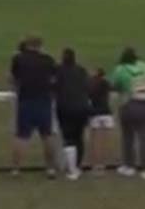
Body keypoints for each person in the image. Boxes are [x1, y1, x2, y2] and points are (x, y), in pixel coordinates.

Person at [9, 36, 60, 178]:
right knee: (47, 135)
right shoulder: (48, 60)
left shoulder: (19, 59)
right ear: (40, 45)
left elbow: (13, 78)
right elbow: (55, 78)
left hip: (25, 101)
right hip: (44, 101)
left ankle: (16, 169)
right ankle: (50, 168)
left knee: (21, 136)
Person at [112, 47, 145, 180]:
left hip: (131, 104)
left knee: (128, 137)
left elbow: (115, 85)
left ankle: (129, 166)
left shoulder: (121, 69)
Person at [53, 48, 91, 180]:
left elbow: (54, 87)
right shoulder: (81, 70)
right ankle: (77, 166)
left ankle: (72, 169)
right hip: (82, 107)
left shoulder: (58, 70)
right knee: (79, 137)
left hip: (66, 107)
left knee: (68, 138)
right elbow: (88, 86)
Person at [86, 68, 115, 173]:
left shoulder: (91, 84)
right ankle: (103, 164)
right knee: (105, 141)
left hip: (95, 114)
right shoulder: (105, 83)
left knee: (95, 142)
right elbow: (113, 87)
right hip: (106, 113)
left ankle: (95, 165)